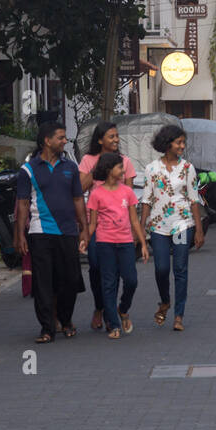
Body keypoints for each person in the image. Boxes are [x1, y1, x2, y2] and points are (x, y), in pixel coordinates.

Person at [15, 123, 90, 343]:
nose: (65, 141)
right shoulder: (28, 170)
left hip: (68, 232)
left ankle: (66, 321)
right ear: (47, 141)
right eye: (61, 137)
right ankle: (47, 328)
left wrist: (84, 228)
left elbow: (78, 199)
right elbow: (22, 203)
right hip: (40, 231)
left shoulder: (70, 168)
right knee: (43, 282)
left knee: (70, 279)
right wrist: (20, 234)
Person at [140, 124, 205, 331]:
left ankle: (179, 315)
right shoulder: (151, 169)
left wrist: (199, 229)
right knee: (161, 268)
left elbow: (194, 200)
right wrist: (141, 228)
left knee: (180, 269)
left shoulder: (187, 168)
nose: (182, 146)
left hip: (181, 225)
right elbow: (146, 200)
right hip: (158, 227)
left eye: (183, 143)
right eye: (179, 142)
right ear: (167, 144)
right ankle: (165, 300)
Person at [78, 121, 137, 331]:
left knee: (123, 274)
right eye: (111, 136)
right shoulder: (87, 160)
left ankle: (117, 308)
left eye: (117, 136)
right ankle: (100, 307)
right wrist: (98, 166)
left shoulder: (125, 161)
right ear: (100, 139)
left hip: (119, 227)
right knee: (95, 266)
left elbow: (129, 195)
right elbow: (81, 188)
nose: (115, 140)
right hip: (94, 224)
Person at [85, 152, 150, 339]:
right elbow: (93, 224)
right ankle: (114, 325)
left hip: (126, 243)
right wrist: (85, 240)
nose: (123, 170)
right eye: (120, 167)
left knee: (131, 280)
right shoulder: (97, 194)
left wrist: (143, 244)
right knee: (109, 283)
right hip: (105, 243)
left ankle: (123, 308)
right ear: (108, 170)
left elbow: (134, 220)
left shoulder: (127, 192)